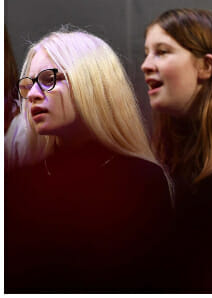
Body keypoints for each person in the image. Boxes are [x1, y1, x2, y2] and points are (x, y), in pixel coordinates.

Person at [5, 30, 172, 291]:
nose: (34, 95)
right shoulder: (19, 184)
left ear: (93, 84)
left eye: (50, 79)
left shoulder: (142, 182)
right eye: (28, 86)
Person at [142, 9, 212, 287]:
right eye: (147, 52)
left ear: (206, 66)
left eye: (162, 52)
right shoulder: (153, 160)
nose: (145, 64)